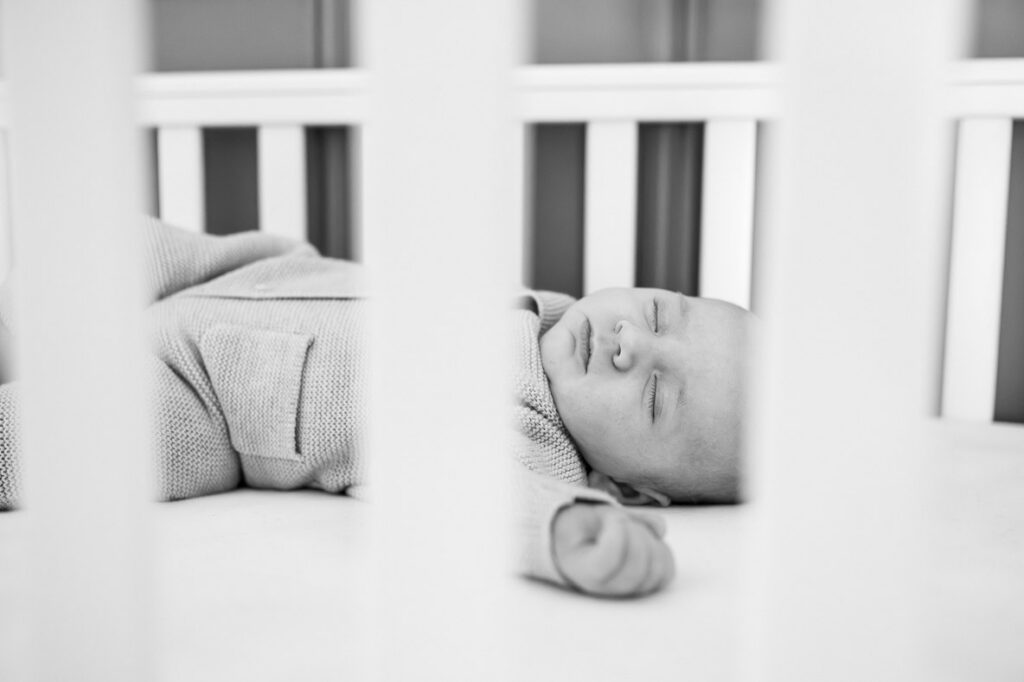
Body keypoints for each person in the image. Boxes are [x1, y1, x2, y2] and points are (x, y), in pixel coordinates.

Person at [0, 217, 753, 599]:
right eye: (658, 313)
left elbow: (471, 503)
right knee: (78, 244)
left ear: (627, 488)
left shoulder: (531, 445)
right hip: (258, 274)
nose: (630, 346)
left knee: (73, 437)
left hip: (207, 398)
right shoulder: (548, 311)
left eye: (655, 396)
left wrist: (569, 531)